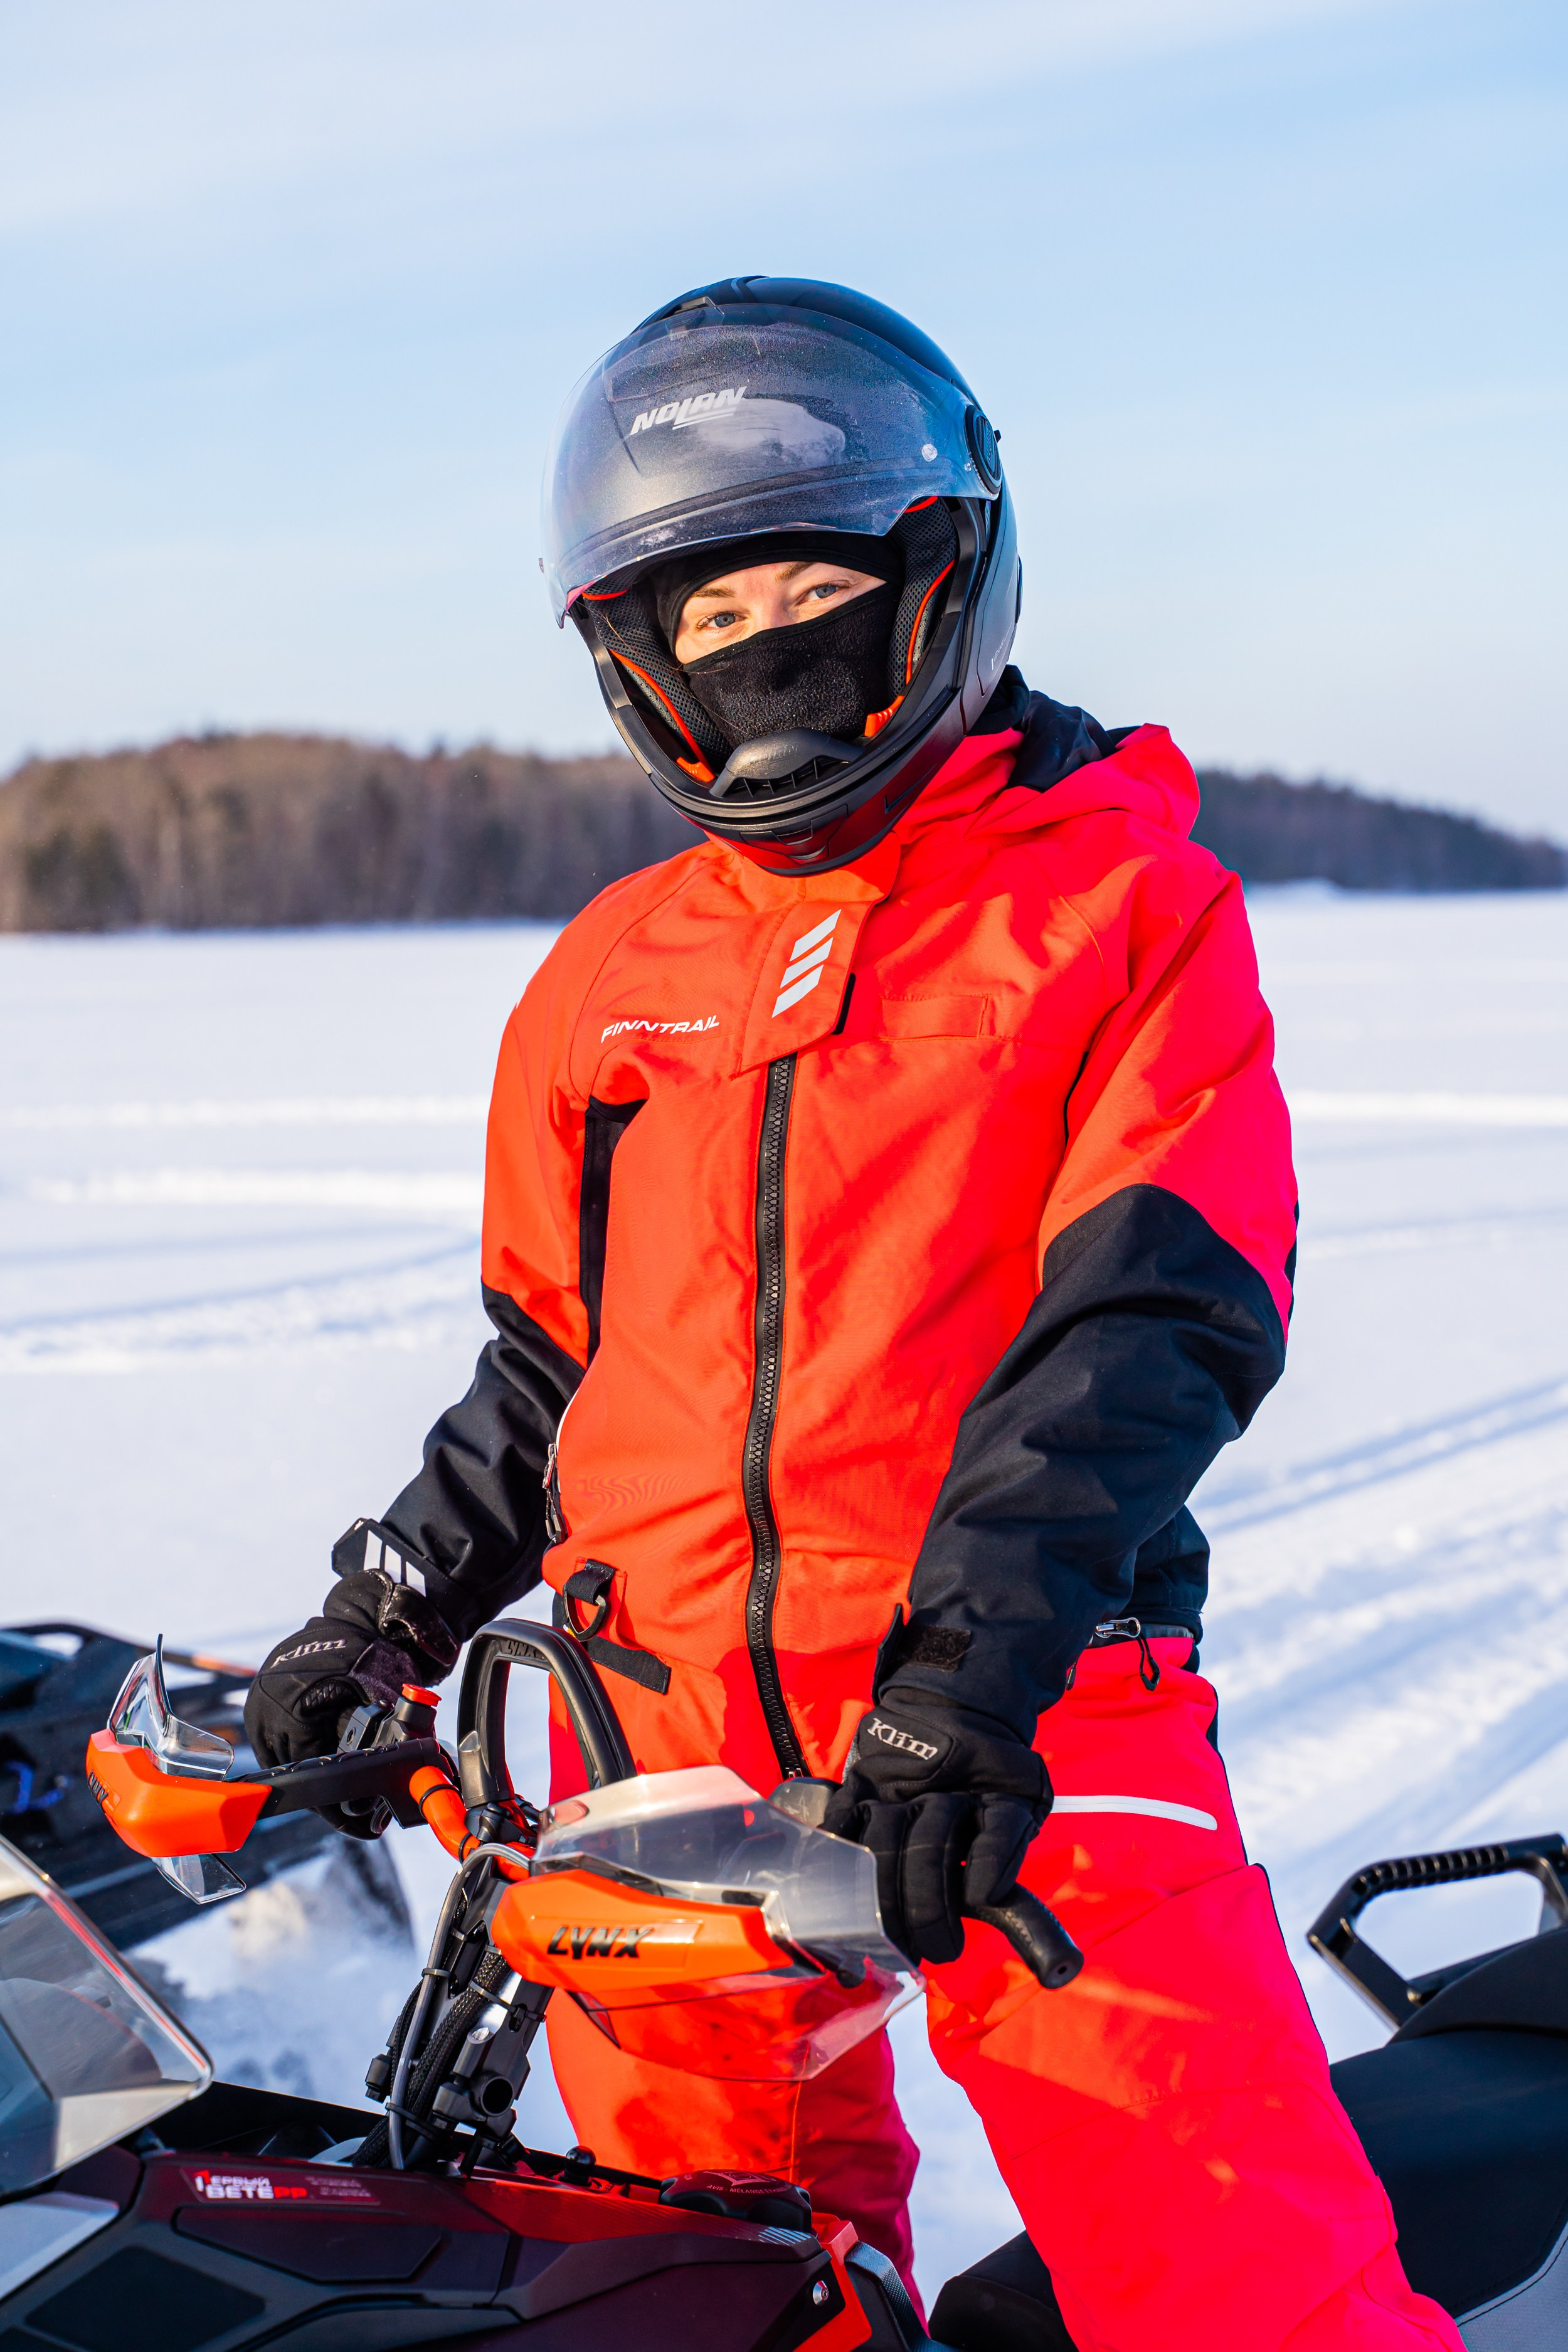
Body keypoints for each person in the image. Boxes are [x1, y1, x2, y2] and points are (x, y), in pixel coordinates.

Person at [247, 278, 1463, 2351]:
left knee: (1243, 2277)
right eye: (709, 626)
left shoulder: (1119, 909)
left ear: (940, 578)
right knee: (708, 2283)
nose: (766, 657)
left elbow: (1153, 1317)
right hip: (656, 1758)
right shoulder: (607, 977)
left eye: (809, 589)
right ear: (638, 665)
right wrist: (392, 1605)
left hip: (1025, 1725)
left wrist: (974, 1672)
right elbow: (550, 1362)